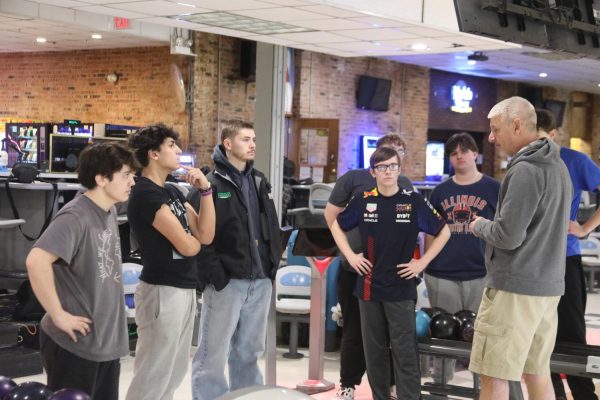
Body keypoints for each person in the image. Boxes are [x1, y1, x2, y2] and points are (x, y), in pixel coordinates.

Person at [468, 96, 572, 400]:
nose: (490, 137)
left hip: (515, 289)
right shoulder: (558, 166)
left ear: (516, 125)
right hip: (547, 289)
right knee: (537, 372)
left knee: (495, 375)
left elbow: (508, 235)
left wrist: (478, 226)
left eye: (494, 128)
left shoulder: (526, 170)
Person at [330, 146, 450, 400]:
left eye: (393, 166)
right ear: (373, 172)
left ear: (399, 169)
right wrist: (351, 256)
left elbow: (444, 231)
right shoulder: (363, 200)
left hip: (401, 287)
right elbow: (336, 225)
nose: (388, 171)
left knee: (404, 351)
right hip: (368, 288)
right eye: (382, 167)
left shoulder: (413, 201)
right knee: (374, 353)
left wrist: (422, 263)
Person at [25, 142, 137, 399]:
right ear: (101, 178)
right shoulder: (75, 216)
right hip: (75, 343)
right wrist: (58, 315)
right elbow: (36, 261)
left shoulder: (107, 210)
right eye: (125, 175)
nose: (132, 182)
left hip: (105, 343)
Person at [190, 120, 282, 400]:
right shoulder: (210, 184)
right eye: (245, 139)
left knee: (249, 353)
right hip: (226, 283)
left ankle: (248, 396)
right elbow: (198, 237)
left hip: (260, 280)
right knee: (212, 355)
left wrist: (271, 266)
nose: (252, 144)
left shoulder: (258, 181)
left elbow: (271, 227)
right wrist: (217, 277)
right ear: (227, 144)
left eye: (253, 139)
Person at [125, 124, 215, 400]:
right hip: (161, 290)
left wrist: (206, 192)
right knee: (153, 372)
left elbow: (206, 236)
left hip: (184, 287)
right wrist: (192, 239)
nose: (179, 151)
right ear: (153, 153)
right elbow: (188, 246)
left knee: (173, 373)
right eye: (172, 146)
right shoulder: (145, 193)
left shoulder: (173, 192)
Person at [323, 134, 413, 400]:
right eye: (387, 155)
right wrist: (350, 254)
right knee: (354, 331)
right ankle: (348, 384)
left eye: (398, 154)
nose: (391, 162)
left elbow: (416, 226)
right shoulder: (353, 180)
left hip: (392, 275)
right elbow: (332, 219)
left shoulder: (406, 185)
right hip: (356, 272)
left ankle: (392, 385)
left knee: (393, 334)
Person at [424, 132, 500, 383]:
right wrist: (426, 263)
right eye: (454, 154)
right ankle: (440, 384)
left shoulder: (493, 188)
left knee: (479, 334)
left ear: (475, 154)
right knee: (444, 333)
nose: (459, 157)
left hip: (482, 272)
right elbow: (429, 231)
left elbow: (503, 229)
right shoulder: (440, 191)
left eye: (464, 151)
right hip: (442, 272)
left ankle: (482, 388)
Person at [537, 108, 600, 400]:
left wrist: (585, 228)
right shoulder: (526, 163)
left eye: (541, 139)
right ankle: (554, 395)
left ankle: (584, 394)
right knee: (540, 335)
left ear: (552, 135)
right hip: (534, 262)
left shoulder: (574, 160)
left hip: (565, 258)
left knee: (571, 332)